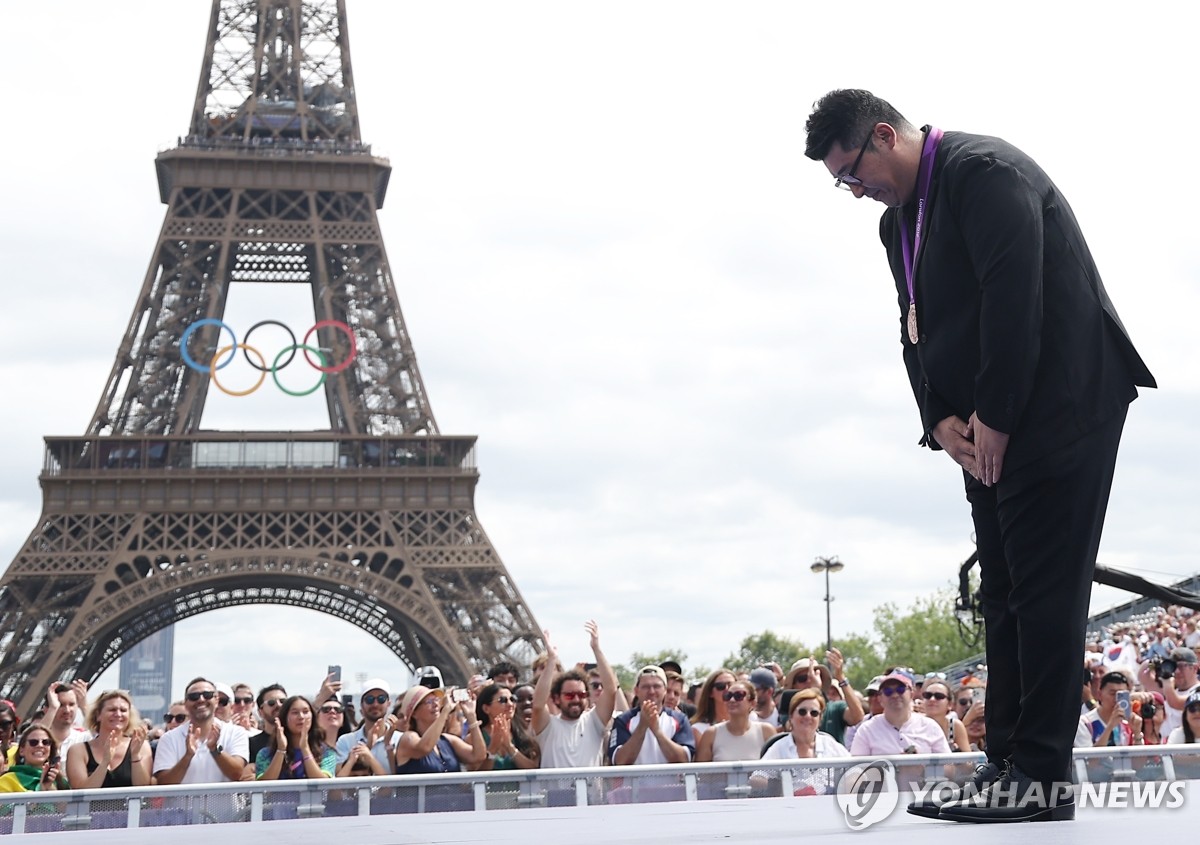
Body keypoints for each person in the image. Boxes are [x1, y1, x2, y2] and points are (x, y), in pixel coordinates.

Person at [805, 88, 1154, 824]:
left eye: (850, 173)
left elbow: (1013, 298)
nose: (853, 190)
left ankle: (1041, 775)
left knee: (1043, 589)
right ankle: (1008, 762)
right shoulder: (896, 223)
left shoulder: (983, 171)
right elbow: (913, 331)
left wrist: (991, 415)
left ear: (882, 136)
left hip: (1060, 406)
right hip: (990, 425)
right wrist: (940, 419)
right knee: (1001, 591)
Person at [533, 621, 620, 768]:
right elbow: (538, 704)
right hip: (555, 791)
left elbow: (611, 690)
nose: (576, 699)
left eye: (581, 695)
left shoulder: (593, 722)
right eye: (569, 695)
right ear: (556, 698)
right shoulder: (548, 727)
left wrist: (596, 649)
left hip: (590, 791)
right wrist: (551, 661)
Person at [750, 689, 850, 796]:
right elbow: (757, 778)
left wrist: (845, 785)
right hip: (789, 809)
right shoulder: (779, 747)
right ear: (791, 716)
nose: (808, 716)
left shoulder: (831, 745)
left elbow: (856, 770)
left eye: (814, 713)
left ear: (820, 719)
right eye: (802, 711)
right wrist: (782, 788)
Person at [153, 677, 249, 784]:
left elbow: (237, 774)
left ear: (216, 700)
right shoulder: (168, 738)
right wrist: (187, 756)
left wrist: (215, 750)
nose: (201, 700)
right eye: (194, 697)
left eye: (207, 695)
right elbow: (164, 783)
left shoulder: (236, 733)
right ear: (186, 704)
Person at [609, 666, 695, 766]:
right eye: (645, 687)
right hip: (635, 782)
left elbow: (683, 760)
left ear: (665, 690)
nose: (651, 691)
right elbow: (621, 761)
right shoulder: (623, 720)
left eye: (657, 686)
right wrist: (642, 726)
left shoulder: (680, 719)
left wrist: (657, 731)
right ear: (636, 691)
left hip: (670, 782)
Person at [66, 690, 152, 788]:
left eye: (123, 710)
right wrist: (105, 762)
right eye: (112, 710)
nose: (118, 714)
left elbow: (143, 789)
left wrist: (135, 756)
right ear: (98, 715)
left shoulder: (142, 746)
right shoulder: (78, 750)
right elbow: (81, 791)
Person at [391, 686, 485, 774]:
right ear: (414, 713)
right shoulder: (408, 738)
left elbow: (478, 756)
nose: (436, 704)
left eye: (436, 700)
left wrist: (471, 717)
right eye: (429, 702)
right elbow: (425, 747)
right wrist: (445, 712)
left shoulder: (447, 740)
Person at [255, 696, 336, 779]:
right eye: (295, 712)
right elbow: (264, 785)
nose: (301, 717)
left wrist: (305, 748)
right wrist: (281, 750)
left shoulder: (326, 752)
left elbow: (322, 783)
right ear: (285, 719)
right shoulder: (265, 754)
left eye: (305, 712)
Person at [695, 680, 774, 762]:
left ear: (752, 703)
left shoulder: (766, 731)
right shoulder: (711, 734)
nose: (732, 700)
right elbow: (701, 772)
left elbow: (777, 769)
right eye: (728, 696)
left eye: (739, 695)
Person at [334, 679, 397, 773]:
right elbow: (338, 782)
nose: (375, 704)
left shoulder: (400, 739)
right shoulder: (345, 741)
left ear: (388, 704)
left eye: (381, 699)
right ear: (362, 705)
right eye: (369, 700)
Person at [475, 683, 540, 770]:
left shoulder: (524, 733)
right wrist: (492, 750)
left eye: (512, 699)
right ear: (486, 708)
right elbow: (475, 776)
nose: (510, 704)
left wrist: (509, 747)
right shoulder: (475, 738)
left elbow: (533, 770)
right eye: (502, 700)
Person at [0, 725, 66, 793]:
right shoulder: (7, 780)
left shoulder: (60, 781)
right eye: (33, 742)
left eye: (45, 742)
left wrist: (50, 788)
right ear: (21, 751)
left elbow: (66, 803)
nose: (40, 745)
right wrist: (41, 790)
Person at [922, 680, 970, 753]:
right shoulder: (914, 723)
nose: (932, 699)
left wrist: (957, 752)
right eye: (928, 695)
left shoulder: (955, 726)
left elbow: (969, 762)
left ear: (950, 704)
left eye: (939, 696)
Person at [689, 669, 737, 736]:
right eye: (720, 686)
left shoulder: (752, 720)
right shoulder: (700, 729)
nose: (727, 689)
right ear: (710, 693)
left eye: (731, 685)